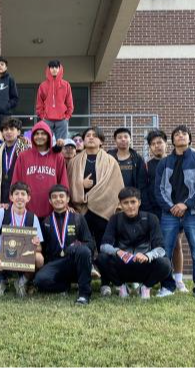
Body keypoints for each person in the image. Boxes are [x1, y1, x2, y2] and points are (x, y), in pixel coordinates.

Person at [67, 127, 123, 296]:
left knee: (104, 247)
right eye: (87, 136)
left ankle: (106, 282)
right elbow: (68, 184)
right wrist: (80, 186)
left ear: (101, 141)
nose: (90, 138)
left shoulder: (110, 161)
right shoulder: (74, 161)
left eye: (94, 136)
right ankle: (83, 282)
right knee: (82, 248)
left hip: (104, 210)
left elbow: (115, 186)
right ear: (83, 141)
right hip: (81, 210)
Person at [155, 125, 195, 300]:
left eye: (184, 134)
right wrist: (172, 207)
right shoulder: (164, 162)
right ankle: (167, 286)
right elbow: (159, 189)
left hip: (193, 212)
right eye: (176, 134)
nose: (180, 136)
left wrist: (186, 205)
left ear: (189, 138)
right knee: (166, 251)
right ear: (172, 140)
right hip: (170, 213)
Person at [96, 187, 172, 300]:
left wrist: (147, 256)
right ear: (120, 204)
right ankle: (121, 287)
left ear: (139, 202)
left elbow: (161, 248)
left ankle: (146, 287)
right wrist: (118, 252)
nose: (130, 206)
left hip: (143, 264)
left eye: (133, 202)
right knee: (101, 258)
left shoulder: (151, 218)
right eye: (125, 203)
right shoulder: (115, 219)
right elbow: (103, 246)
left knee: (165, 263)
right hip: (123, 265)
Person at [0, 182, 44, 297]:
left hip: (22, 258)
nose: (19, 197)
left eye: (23, 194)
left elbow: (39, 247)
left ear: (28, 198)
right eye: (16, 194)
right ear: (11, 197)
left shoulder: (32, 217)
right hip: (1, 256)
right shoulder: (2, 213)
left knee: (39, 259)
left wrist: (34, 244)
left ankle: (21, 282)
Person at [143, 129, 188, 292]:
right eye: (153, 144)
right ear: (150, 147)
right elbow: (145, 189)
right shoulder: (146, 166)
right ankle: (155, 278)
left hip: (174, 211)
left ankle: (178, 280)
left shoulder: (175, 161)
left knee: (176, 244)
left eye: (159, 142)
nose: (157, 146)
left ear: (166, 143)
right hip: (153, 213)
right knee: (153, 246)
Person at [34, 185, 95, 305]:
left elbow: (90, 244)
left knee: (83, 251)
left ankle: (84, 294)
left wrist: (76, 246)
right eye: (54, 197)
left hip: (75, 263)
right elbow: (42, 248)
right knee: (39, 280)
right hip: (56, 264)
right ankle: (63, 287)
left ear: (68, 199)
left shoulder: (78, 218)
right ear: (50, 201)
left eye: (61, 196)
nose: (58, 199)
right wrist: (35, 244)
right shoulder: (46, 222)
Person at [12, 120, 69, 220]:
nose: (39, 136)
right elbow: (16, 180)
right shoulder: (23, 156)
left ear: (49, 136)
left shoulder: (57, 157)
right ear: (32, 136)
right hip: (27, 208)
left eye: (43, 133)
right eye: (36, 133)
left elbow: (63, 181)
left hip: (52, 208)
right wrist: (13, 201)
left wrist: (66, 204)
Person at [0, 117, 30, 212]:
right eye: (6, 129)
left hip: (19, 199)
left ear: (18, 132)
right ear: (2, 132)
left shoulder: (26, 149)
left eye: (12, 129)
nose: (8, 132)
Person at [36, 60, 74, 140]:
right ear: (48, 69)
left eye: (56, 67)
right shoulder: (43, 85)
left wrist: (67, 116)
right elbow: (39, 102)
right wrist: (42, 116)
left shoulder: (66, 85)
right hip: (46, 120)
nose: (54, 69)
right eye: (52, 67)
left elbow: (69, 102)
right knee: (46, 144)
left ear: (59, 69)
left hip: (62, 120)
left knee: (61, 146)